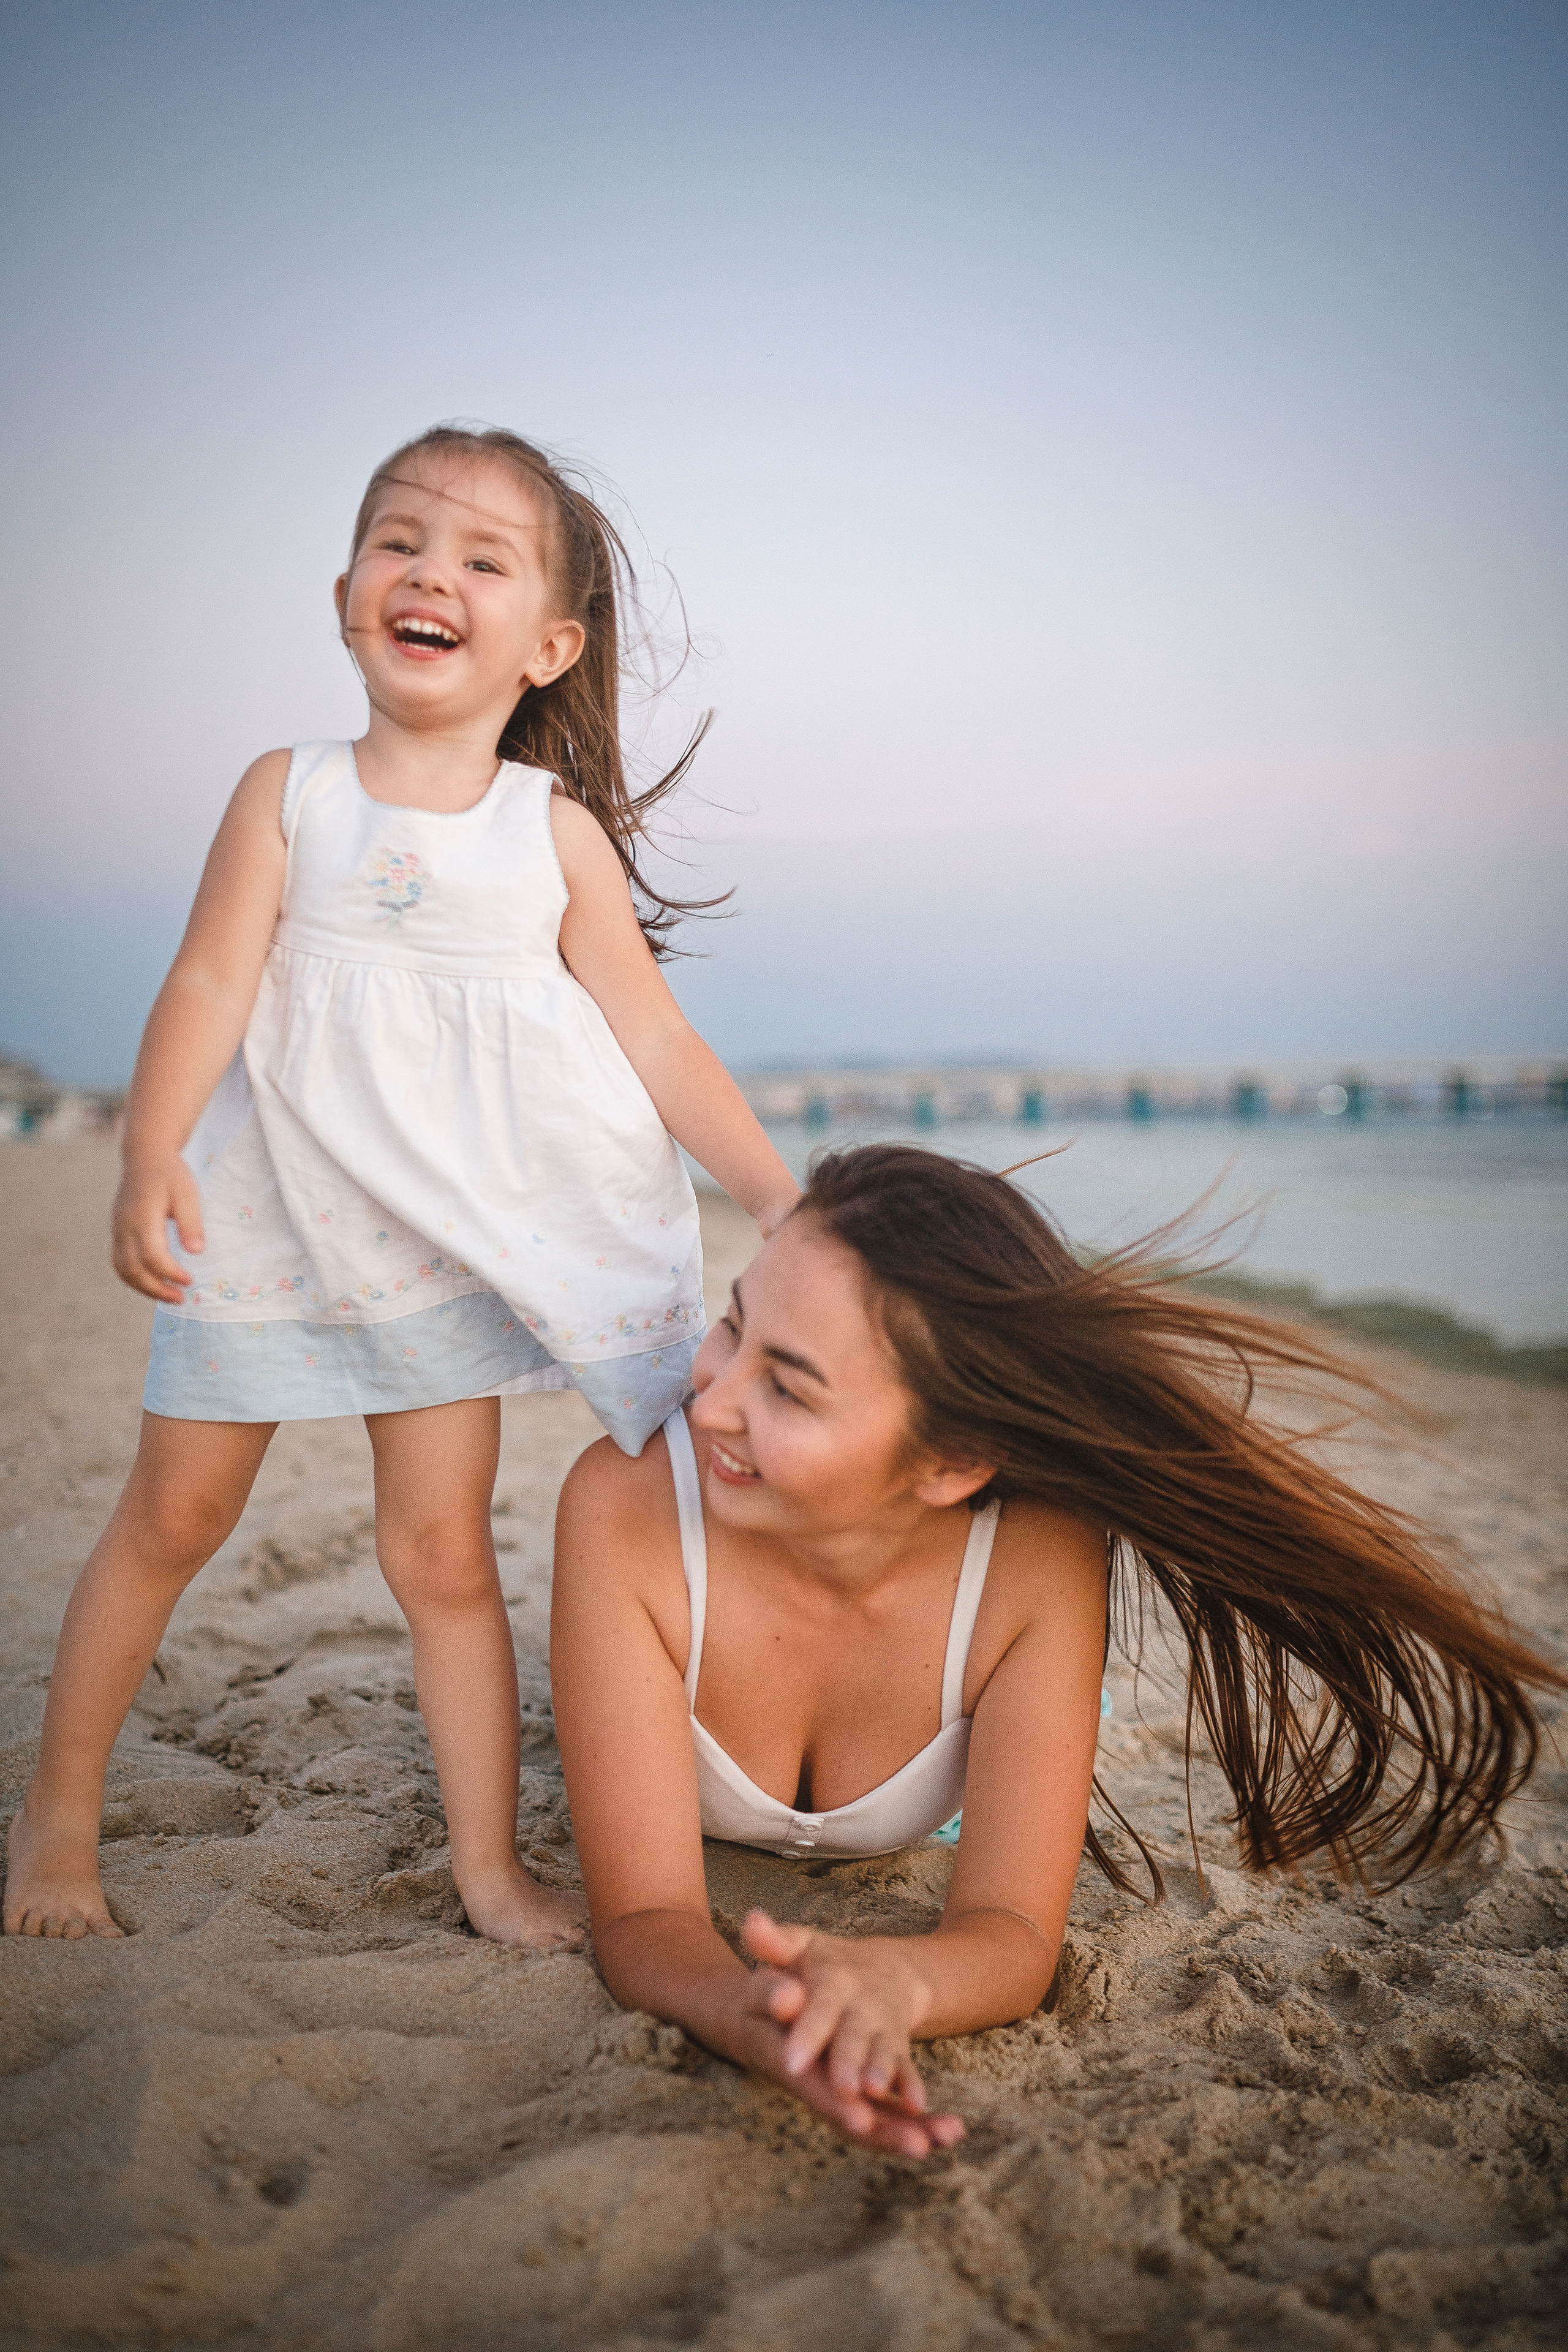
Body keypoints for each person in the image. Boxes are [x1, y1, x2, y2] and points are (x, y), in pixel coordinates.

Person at [5, 426, 798, 1950]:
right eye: (400, 541)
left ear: (549, 645)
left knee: (438, 1557)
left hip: (440, 1246)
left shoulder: (547, 836)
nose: (430, 572)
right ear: (347, 592)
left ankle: (488, 1870)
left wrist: (778, 1198)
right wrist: (150, 1148)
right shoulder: (289, 793)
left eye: (482, 560)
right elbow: (208, 978)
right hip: (263, 1222)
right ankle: (58, 1812)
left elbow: (654, 1036)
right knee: (173, 1517)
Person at [551, 1145, 1562, 2158]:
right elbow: (643, 1916)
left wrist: (904, 1982)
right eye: (734, 1322)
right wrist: (746, 2018)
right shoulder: (625, 1507)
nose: (712, 1398)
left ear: (950, 1462)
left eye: (790, 1389)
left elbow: (1011, 1930)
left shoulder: (1035, 1561)